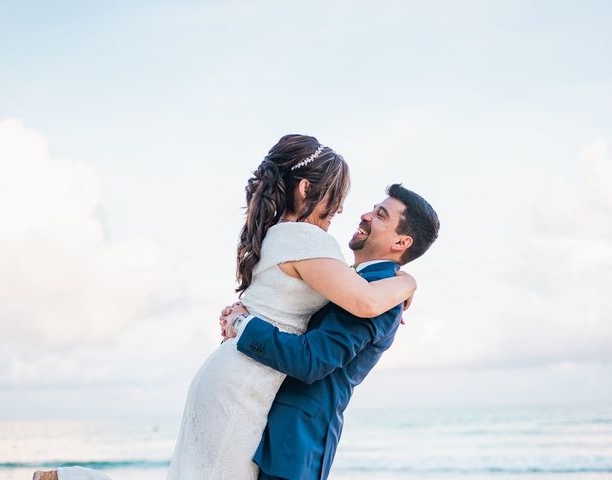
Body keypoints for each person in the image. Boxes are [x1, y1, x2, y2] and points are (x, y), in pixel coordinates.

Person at [34, 135, 416, 480]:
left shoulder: (283, 237)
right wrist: (407, 282)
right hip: (242, 387)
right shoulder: (308, 241)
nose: (343, 208)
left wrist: (240, 319)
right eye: (336, 196)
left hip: (234, 375)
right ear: (305, 189)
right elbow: (365, 300)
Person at [219, 183, 439, 480]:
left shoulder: (380, 298)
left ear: (401, 243)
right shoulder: (362, 282)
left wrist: (243, 325)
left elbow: (311, 361)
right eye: (374, 209)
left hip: (294, 445)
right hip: (272, 430)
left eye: (381, 215)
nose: (365, 215)